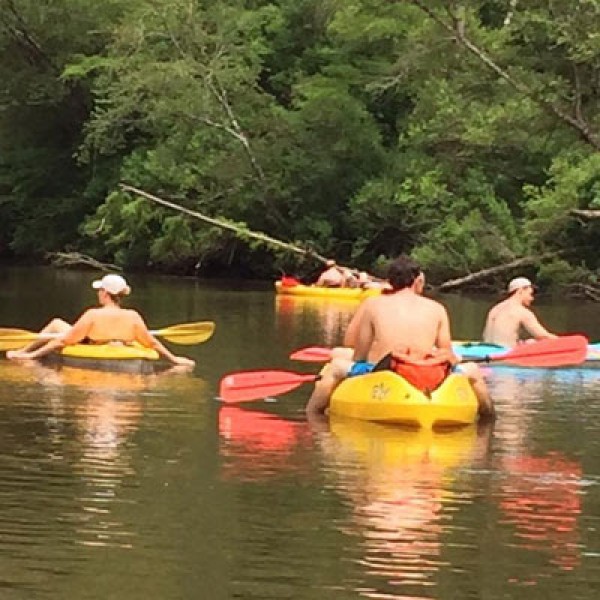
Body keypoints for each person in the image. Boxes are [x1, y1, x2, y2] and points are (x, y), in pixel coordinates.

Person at [306, 255, 493, 418]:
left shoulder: (373, 305)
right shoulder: (437, 308)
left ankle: (313, 417)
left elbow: (359, 357)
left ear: (390, 281)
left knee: (336, 366)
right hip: (427, 372)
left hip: (389, 370)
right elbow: (447, 355)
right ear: (417, 280)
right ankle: (488, 424)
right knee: (473, 370)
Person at [6, 274, 195, 367]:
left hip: (91, 342)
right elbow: (151, 342)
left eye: (99, 290)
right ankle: (23, 351)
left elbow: (64, 340)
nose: (98, 293)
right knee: (58, 324)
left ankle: (22, 351)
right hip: (121, 345)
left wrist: (31, 356)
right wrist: (175, 359)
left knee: (56, 323)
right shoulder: (133, 316)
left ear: (105, 293)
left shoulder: (93, 315)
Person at [483, 276, 557, 347]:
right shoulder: (522, 311)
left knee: (530, 342)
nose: (532, 298)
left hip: (487, 352)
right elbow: (543, 336)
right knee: (536, 342)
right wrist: (561, 341)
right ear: (521, 290)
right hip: (505, 355)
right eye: (530, 294)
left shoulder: (495, 308)